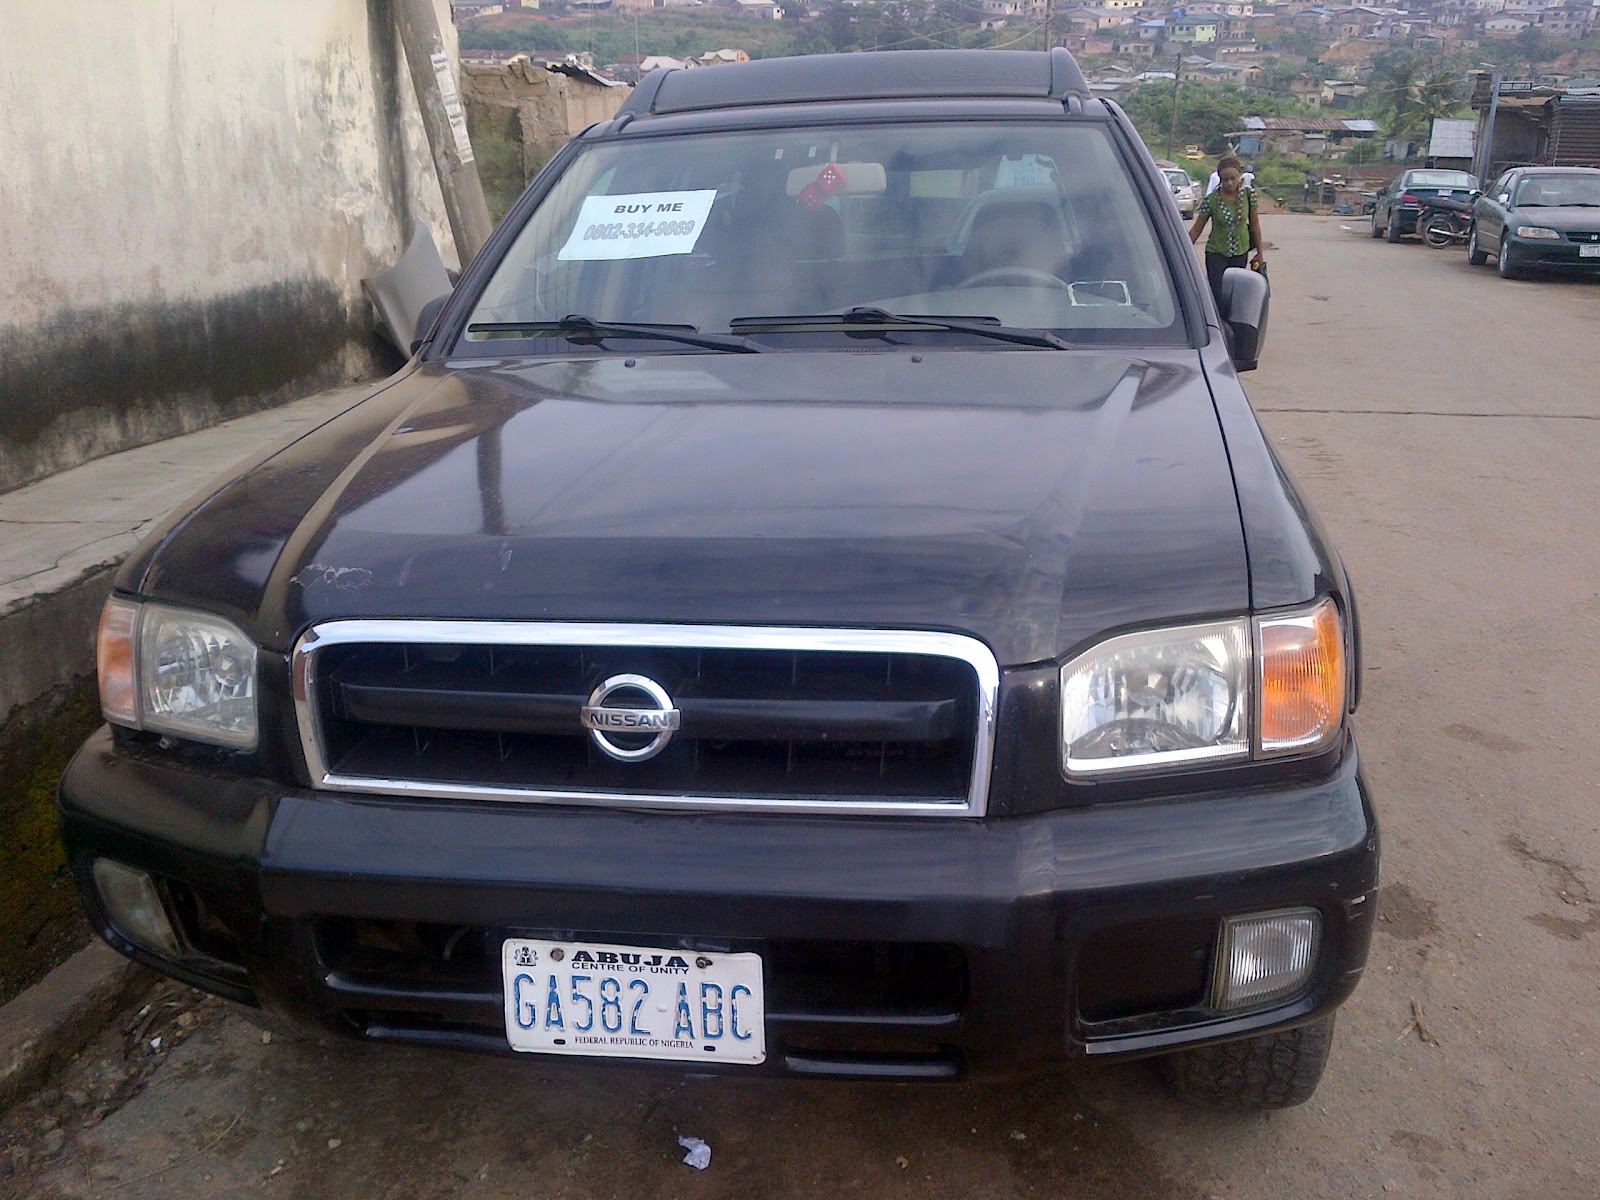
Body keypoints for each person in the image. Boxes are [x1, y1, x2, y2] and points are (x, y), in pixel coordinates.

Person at [1189, 156, 1264, 309]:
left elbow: (1255, 224)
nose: (1229, 183)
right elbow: (1197, 228)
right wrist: (1183, 249)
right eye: (1225, 179)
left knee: (1235, 295)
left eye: (1233, 178)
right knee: (1217, 295)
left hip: (1240, 253)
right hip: (1216, 253)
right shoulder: (1211, 200)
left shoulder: (1249, 195)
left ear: (1240, 176)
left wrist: (1260, 252)